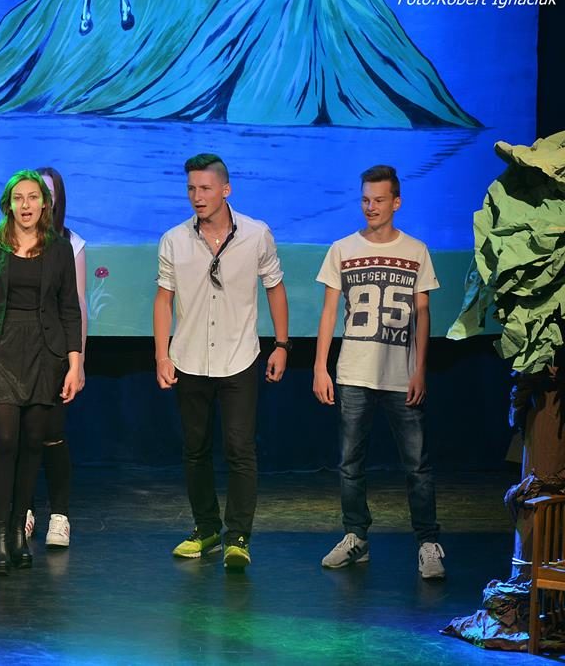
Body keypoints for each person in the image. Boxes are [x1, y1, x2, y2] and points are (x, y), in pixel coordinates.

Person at [154, 153, 289, 569]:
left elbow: (275, 287)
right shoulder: (174, 239)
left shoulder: (256, 234)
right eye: (191, 189)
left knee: (240, 449)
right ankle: (207, 528)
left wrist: (282, 344)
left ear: (225, 190)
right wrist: (161, 354)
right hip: (189, 357)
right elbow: (163, 299)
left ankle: (239, 536)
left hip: (239, 357)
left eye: (205, 188)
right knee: (195, 450)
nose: (197, 196)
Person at [313, 165, 444, 579]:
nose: (371, 207)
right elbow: (329, 312)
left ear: (396, 202)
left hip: (401, 375)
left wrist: (420, 369)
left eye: (379, 200)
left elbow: (423, 314)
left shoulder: (416, 250)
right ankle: (356, 537)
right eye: (366, 199)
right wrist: (320, 367)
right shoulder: (342, 248)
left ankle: (428, 543)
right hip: (353, 373)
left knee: (417, 465)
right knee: (350, 463)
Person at [0, 170, 83, 576]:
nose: (27, 204)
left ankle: (19, 530)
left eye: (34, 197)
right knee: (4, 440)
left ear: (45, 204)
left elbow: (70, 309)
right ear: (8, 204)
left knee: (34, 442)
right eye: (19, 198)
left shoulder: (59, 249)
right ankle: (0, 534)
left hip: (45, 353)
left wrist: (75, 364)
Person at [24, 166, 86, 548]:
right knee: (22, 435)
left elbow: (77, 304)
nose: (39, 201)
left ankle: (59, 515)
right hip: (18, 352)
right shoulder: (10, 241)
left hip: (56, 353)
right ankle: (24, 510)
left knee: (51, 435)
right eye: (33, 193)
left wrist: (78, 361)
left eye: (47, 193)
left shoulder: (69, 243)